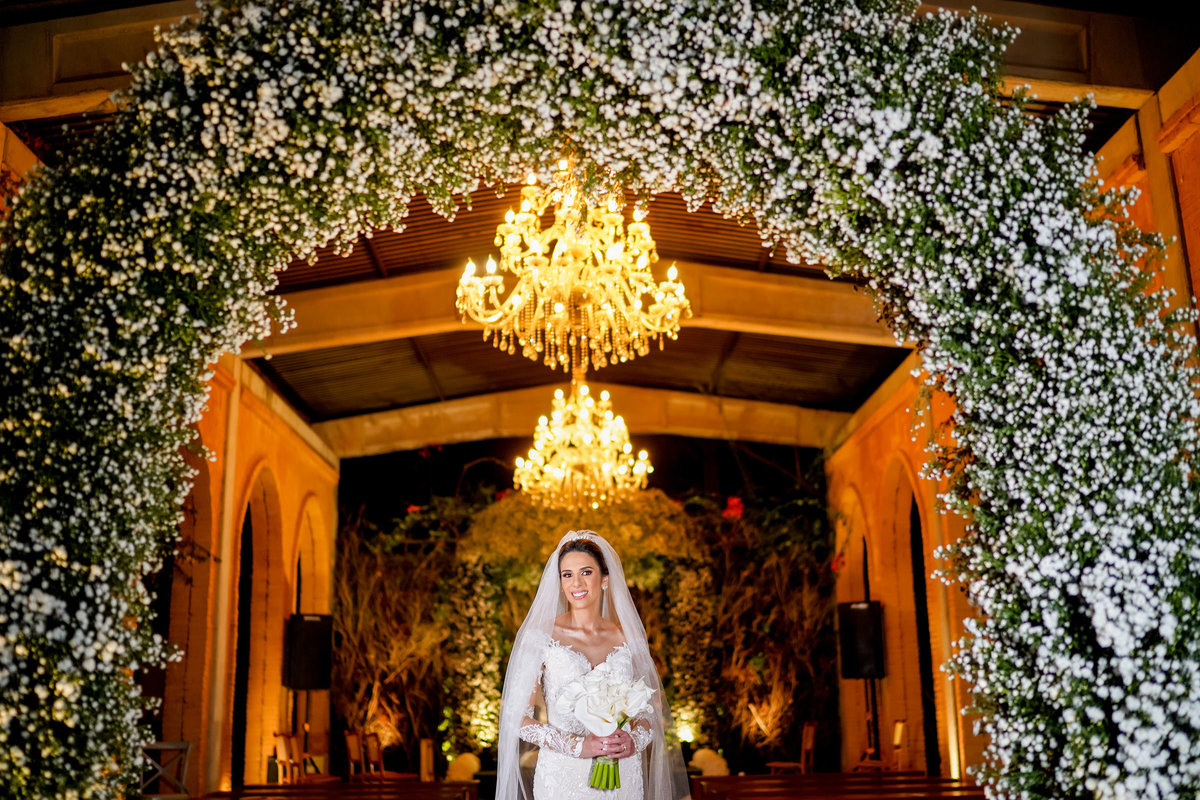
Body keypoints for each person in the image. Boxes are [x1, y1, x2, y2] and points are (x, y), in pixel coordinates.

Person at [496, 530, 689, 800]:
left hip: (623, 775)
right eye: (567, 575)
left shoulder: (627, 637)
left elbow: (647, 714)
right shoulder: (541, 636)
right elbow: (517, 718)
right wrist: (577, 746)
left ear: (605, 579)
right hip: (564, 777)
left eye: (586, 572)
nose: (576, 583)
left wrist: (634, 740)